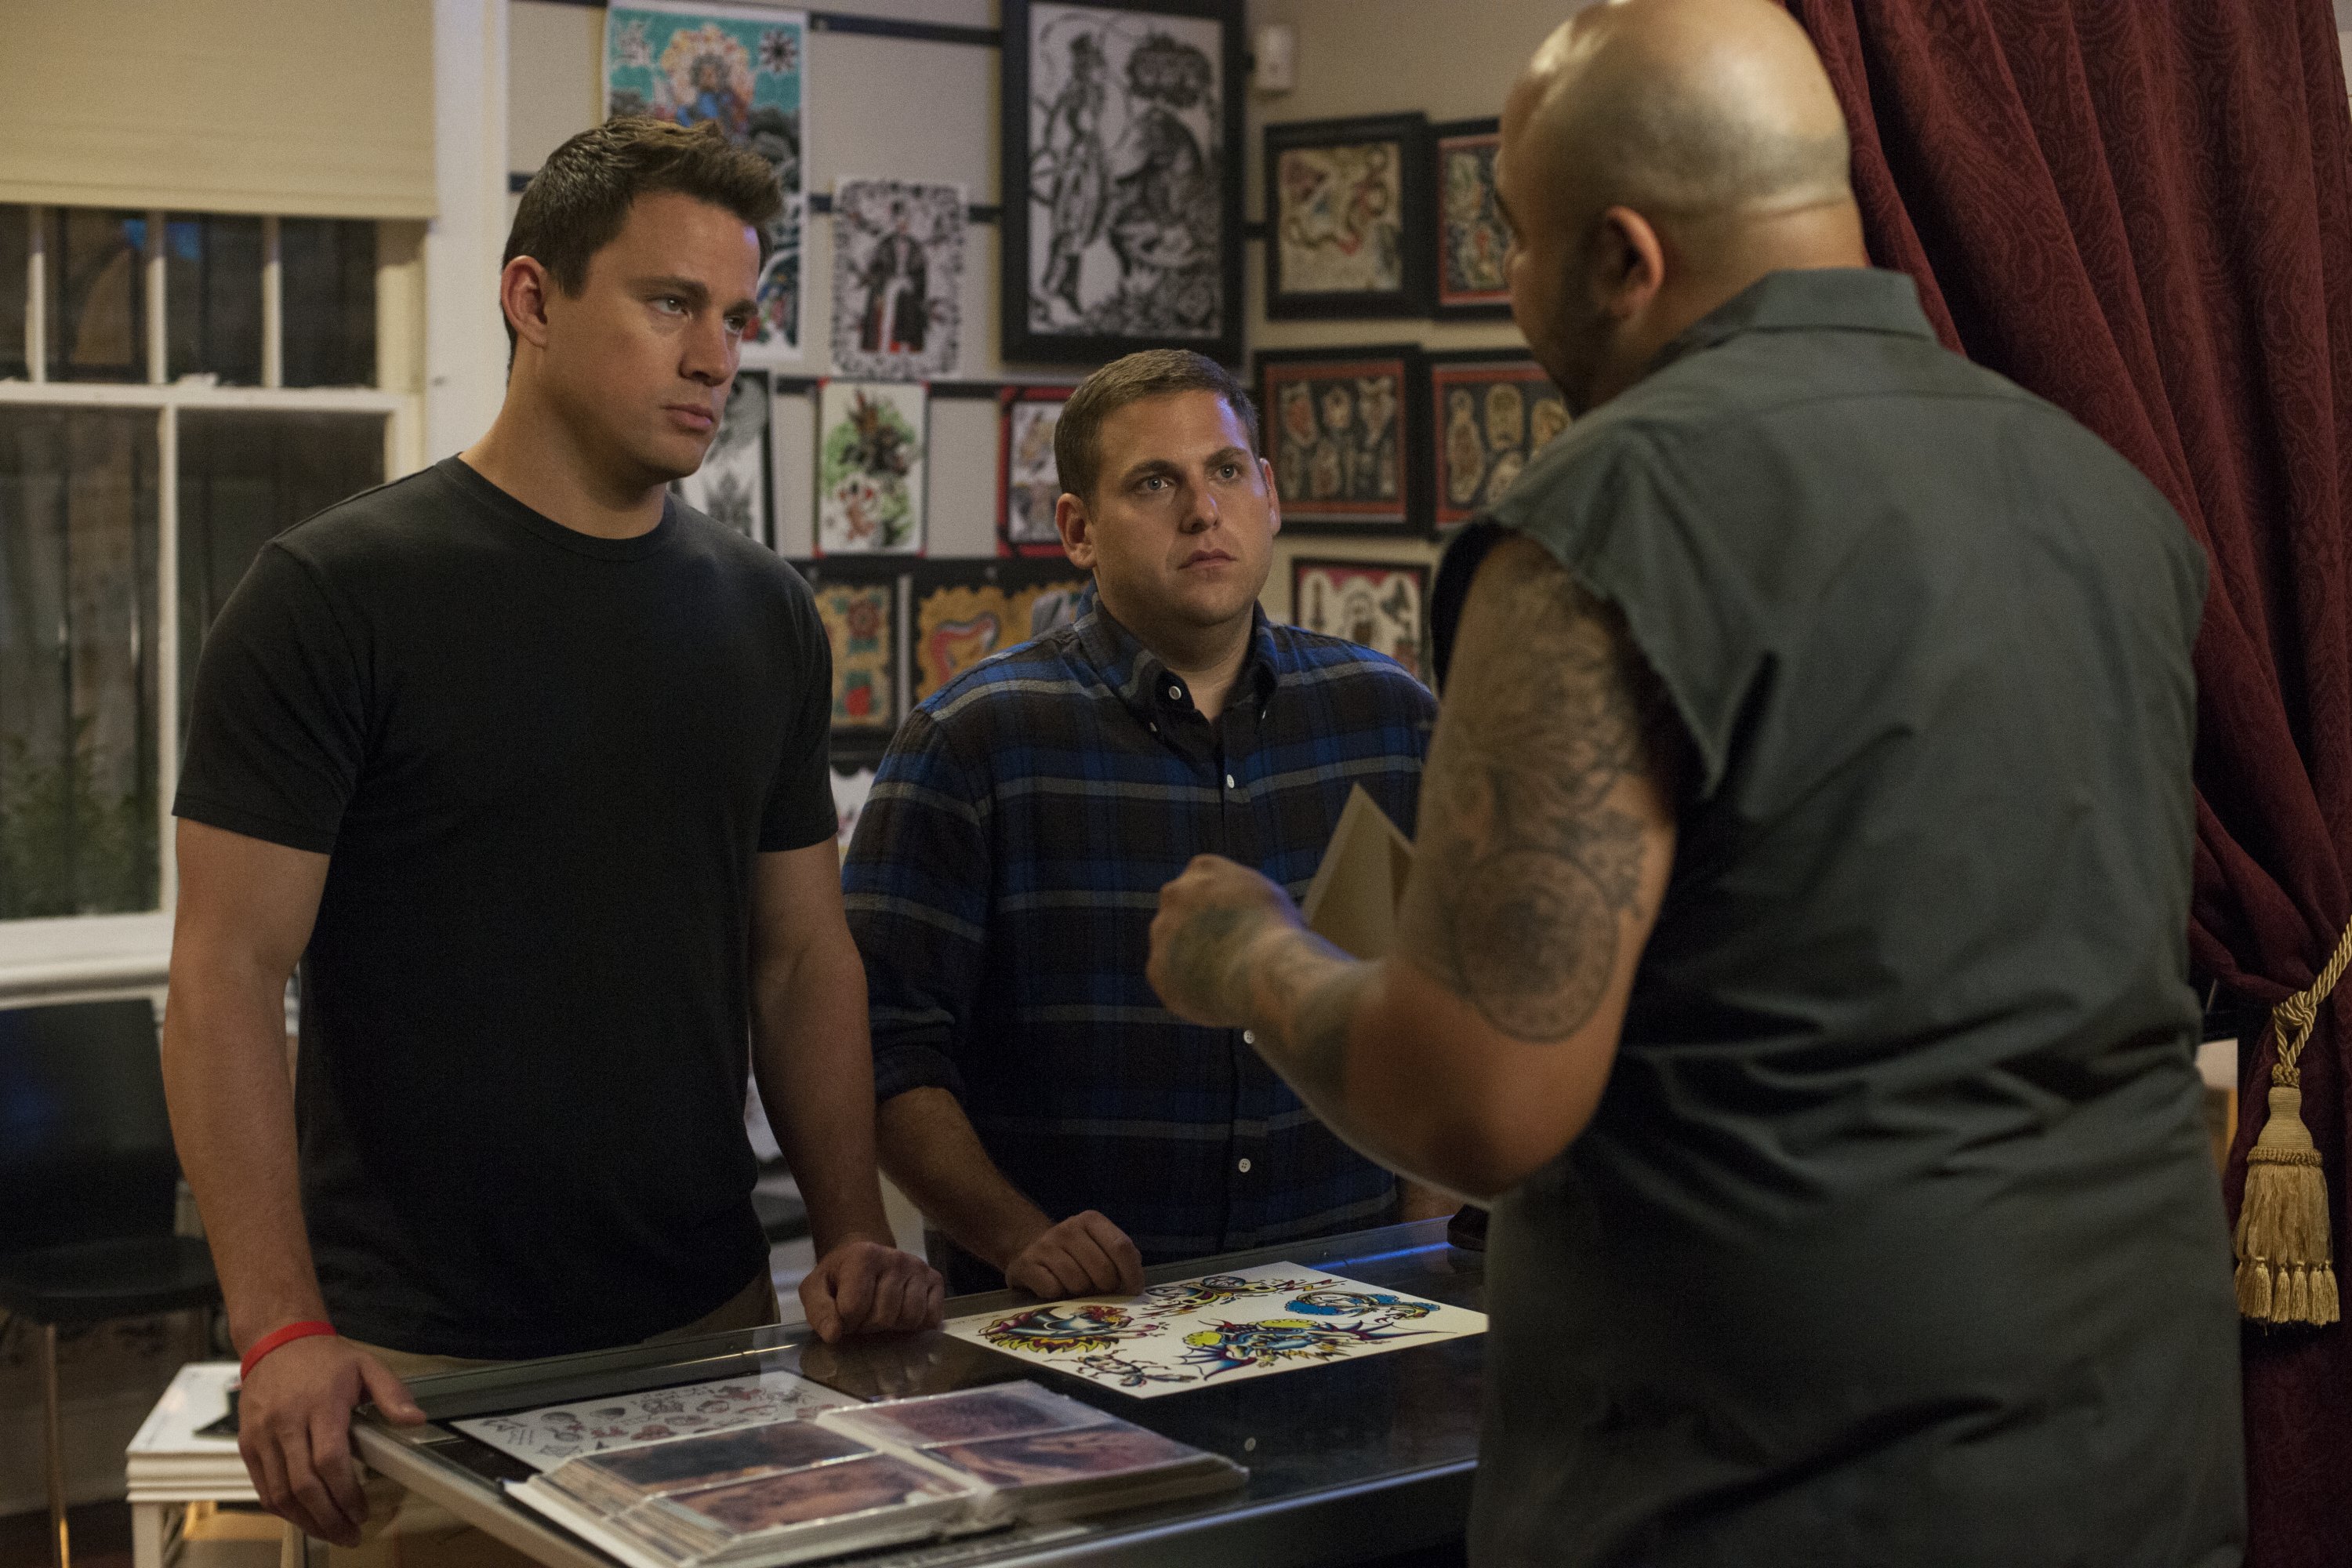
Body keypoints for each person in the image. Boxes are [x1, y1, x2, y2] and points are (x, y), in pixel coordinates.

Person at [1144, 2, 2244, 1564]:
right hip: (2131, 1459)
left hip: (1775, 1490)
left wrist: (1251, 953)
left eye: (1518, 238)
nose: (1509, 287)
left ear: (1623, 257)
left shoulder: (1612, 517)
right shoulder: (2105, 500)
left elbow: (1480, 1094)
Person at [161, 118, 941, 1551]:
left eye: (736, 317)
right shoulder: (332, 596)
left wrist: (851, 1232)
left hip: (711, 1324)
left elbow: (799, 957)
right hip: (418, 1362)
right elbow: (223, 976)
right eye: (670, 304)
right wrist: (279, 1329)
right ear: (532, 298)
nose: (715, 357)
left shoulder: (764, 613)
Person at [844, 350, 1452, 1301]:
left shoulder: (1390, 720)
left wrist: (1422, 1244)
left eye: (1226, 470)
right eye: (1155, 482)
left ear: (1270, 494)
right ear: (1078, 530)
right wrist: (1021, 1237)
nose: (1203, 510)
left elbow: (1443, 1008)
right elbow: (885, 1048)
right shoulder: (972, 742)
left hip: (1347, 1307)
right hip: (1070, 1324)